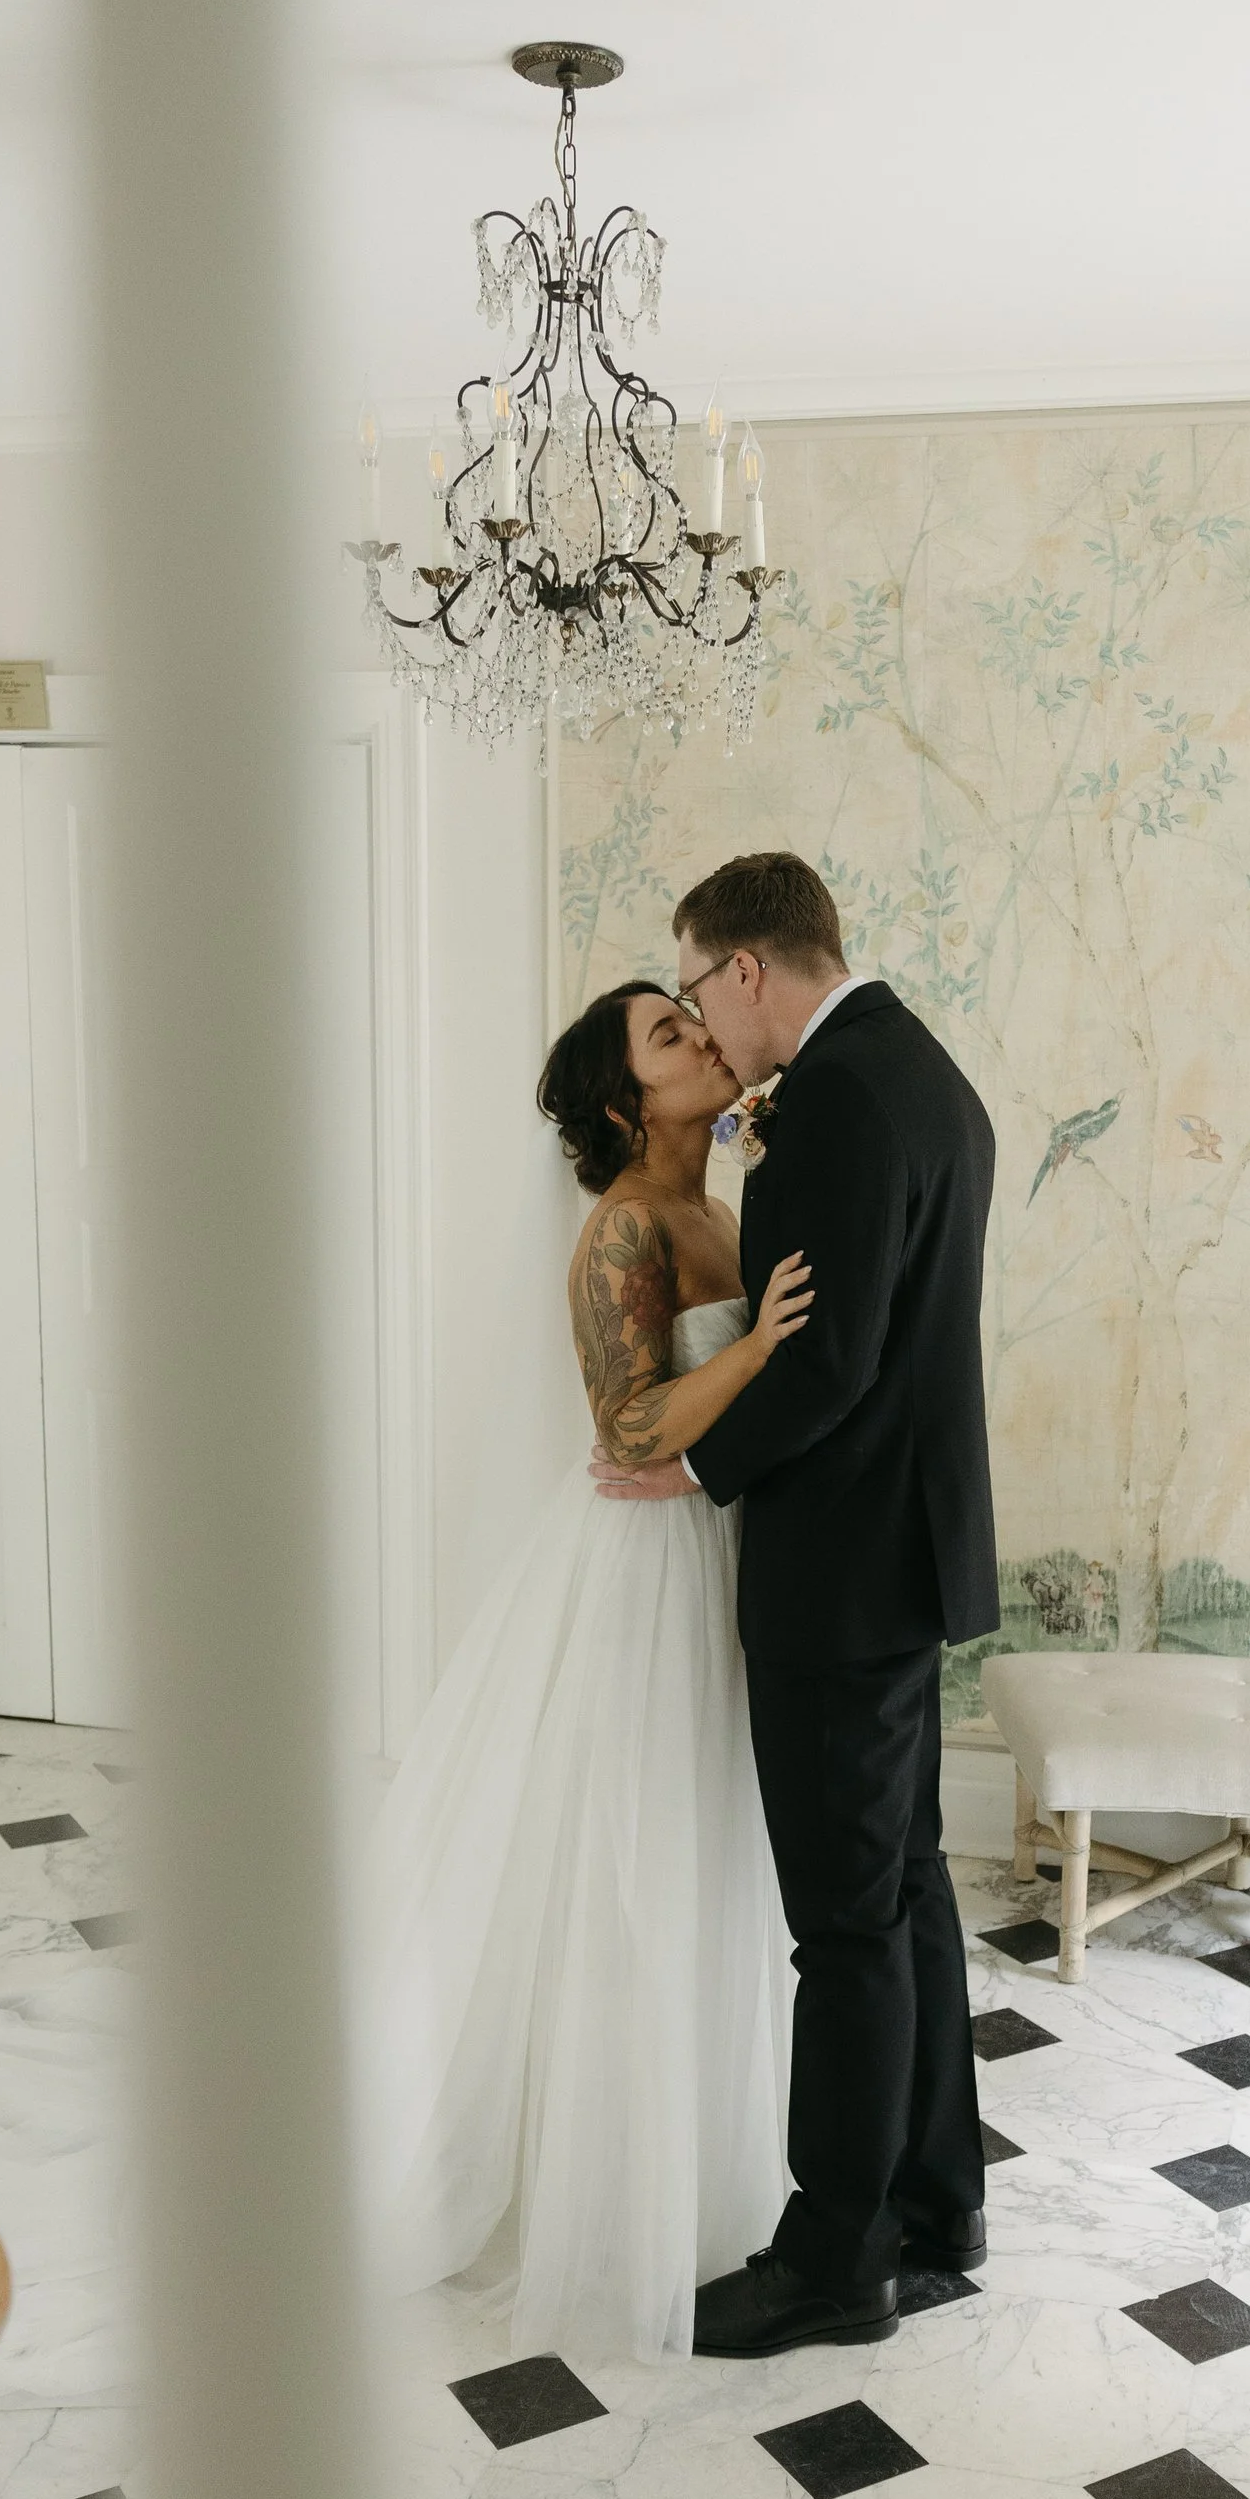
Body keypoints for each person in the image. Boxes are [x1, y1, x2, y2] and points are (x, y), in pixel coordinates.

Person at [363, 979, 814, 2361]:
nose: (699, 1037)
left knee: (704, 1857)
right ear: (625, 1100)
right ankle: (589, 2186)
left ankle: (700, 2160)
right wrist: (754, 1345)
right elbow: (627, 1424)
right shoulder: (620, 1227)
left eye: (693, 1017)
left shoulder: (718, 1208)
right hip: (643, 1572)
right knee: (625, 1861)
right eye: (668, 1036)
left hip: (721, 1553)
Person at [594, 850, 1000, 2358]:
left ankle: (837, 2255)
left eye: (701, 986)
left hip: (839, 1569)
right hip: (910, 1549)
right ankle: (936, 2202)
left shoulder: (832, 1103)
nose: (706, 1018)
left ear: (749, 969)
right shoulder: (926, 1070)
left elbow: (826, 1361)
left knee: (843, 1927)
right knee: (905, 1891)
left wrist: (696, 1466)